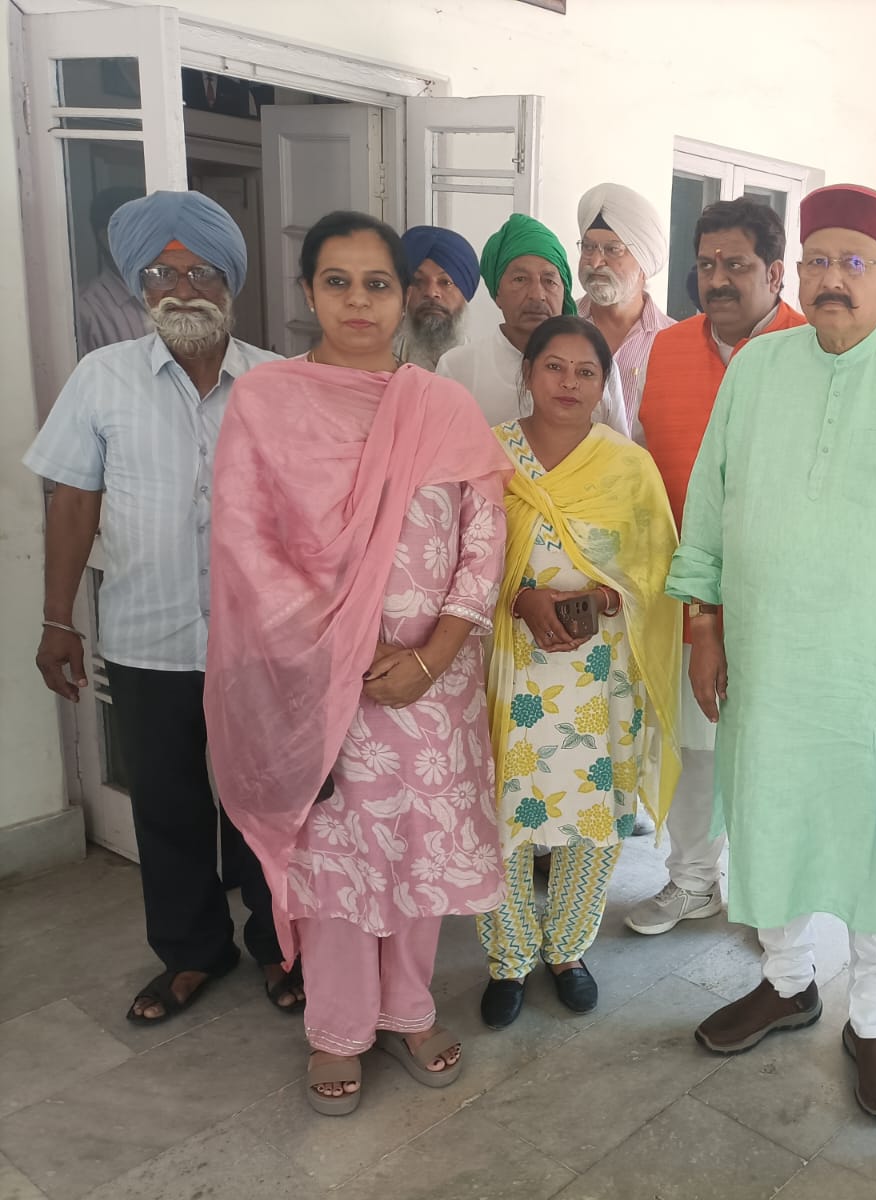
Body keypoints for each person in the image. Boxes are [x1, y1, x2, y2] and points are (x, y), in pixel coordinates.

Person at [668, 183, 876, 1118]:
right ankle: (786, 981)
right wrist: (705, 625)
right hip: (768, 660)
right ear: (796, 273)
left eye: (854, 263)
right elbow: (710, 500)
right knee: (771, 815)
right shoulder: (758, 369)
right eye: (818, 261)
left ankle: (875, 1019)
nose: (832, 280)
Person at [206, 210, 512, 1116]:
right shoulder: (266, 402)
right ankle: (337, 1027)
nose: (358, 301)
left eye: (378, 283)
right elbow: (247, 546)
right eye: (336, 282)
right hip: (316, 681)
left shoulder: (442, 407)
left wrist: (435, 654)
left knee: (416, 844)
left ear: (403, 295)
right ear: (308, 292)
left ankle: (409, 1008)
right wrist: (336, 649)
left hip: (431, 684)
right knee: (335, 852)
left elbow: (483, 538)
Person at [24, 189, 295, 1024]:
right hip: (148, 637)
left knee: (266, 805)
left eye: (200, 271)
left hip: (259, 644)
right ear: (139, 286)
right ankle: (192, 952)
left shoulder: (279, 382)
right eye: (160, 274)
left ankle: (280, 945)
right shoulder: (101, 378)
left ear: (230, 283)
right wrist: (58, 619)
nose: (181, 288)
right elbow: (74, 501)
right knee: (168, 806)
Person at [477, 315, 682, 1028]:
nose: (569, 383)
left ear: (604, 384)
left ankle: (567, 949)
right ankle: (508, 958)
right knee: (501, 810)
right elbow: (461, 556)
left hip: (599, 670)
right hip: (509, 663)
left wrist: (606, 596)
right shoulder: (489, 456)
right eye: (554, 367)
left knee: (594, 809)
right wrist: (521, 598)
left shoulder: (627, 466)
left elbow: (655, 570)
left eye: (585, 371)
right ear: (528, 372)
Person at [624, 197, 809, 936]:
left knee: (772, 756)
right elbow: (646, 467)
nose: (719, 279)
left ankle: (772, 903)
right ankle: (693, 881)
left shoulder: (814, 349)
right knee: (695, 748)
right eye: (706, 265)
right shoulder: (667, 350)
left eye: (737, 264)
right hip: (686, 590)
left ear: (776, 272)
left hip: (783, 599)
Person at [437, 213, 627, 434]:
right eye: (520, 279)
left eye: (549, 281)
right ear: (497, 292)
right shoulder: (458, 368)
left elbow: (620, 450)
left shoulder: (596, 367)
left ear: (564, 291)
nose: (537, 295)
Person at [576, 182, 674, 432]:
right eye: (588, 247)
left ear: (644, 262)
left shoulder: (673, 342)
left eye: (613, 250)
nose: (595, 262)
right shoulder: (556, 328)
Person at [75, 185, 153, 353]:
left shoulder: (173, 290)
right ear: (107, 239)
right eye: (140, 232)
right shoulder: (85, 311)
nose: (151, 241)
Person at [396, 224, 478, 369]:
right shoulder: (381, 364)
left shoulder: (484, 366)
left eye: (445, 282)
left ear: (465, 293)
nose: (431, 292)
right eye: (418, 281)